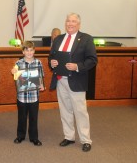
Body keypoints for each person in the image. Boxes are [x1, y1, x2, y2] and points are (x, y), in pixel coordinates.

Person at [49, 13, 97, 152]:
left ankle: (86, 140)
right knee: (65, 111)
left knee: (80, 112)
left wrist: (77, 66)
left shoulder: (86, 39)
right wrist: (51, 62)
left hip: (76, 80)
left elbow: (92, 59)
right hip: (60, 81)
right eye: (68, 21)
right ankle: (69, 137)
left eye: (73, 21)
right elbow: (51, 57)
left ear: (78, 24)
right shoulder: (58, 39)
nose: (70, 23)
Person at [11, 41, 45, 146]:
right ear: (23, 52)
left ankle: (34, 137)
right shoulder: (18, 63)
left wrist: (42, 85)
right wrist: (13, 72)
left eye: (31, 50)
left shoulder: (38, 63)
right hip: (22, 96)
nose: (29, 52)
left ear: (34, 51)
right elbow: (16, 78)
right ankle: (20, 136)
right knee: (22, 117)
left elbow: (41, 76)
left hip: (34, 95)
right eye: (27, 50)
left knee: (33, 117)